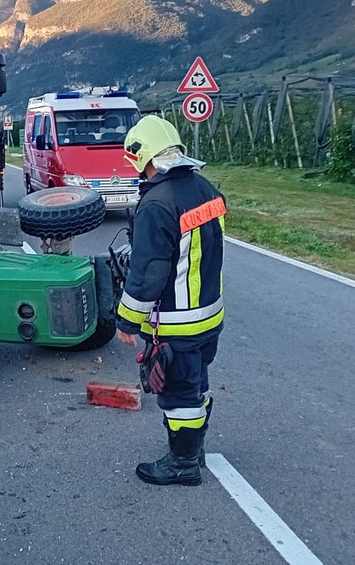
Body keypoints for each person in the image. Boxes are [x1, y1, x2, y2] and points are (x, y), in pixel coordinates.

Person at [115, 115, 226, 486]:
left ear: (142, 155)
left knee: (179, 394)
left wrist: (128, 320)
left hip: (178, 322)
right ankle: (194, 450)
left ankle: (182, 464)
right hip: (209, 315)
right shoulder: (207, 189)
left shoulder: (157, 203)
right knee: (198, 383)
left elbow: (149, 272)